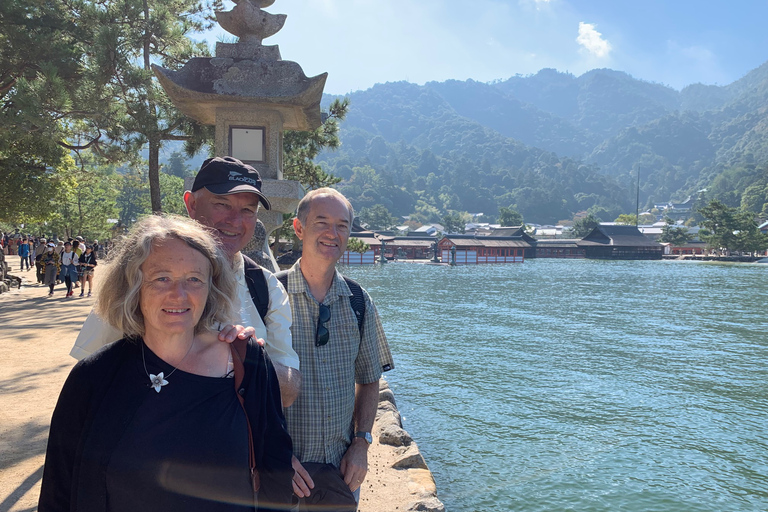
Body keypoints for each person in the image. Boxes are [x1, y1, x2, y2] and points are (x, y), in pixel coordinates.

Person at [38, 215, 294, 512]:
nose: (179, 294)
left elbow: (276, 472)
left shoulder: (245, 364)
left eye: (194, 279)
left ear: (212, 287)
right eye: (162, 278)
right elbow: (59, 489)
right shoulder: (92, 378)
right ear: (132, 286)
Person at [69, 156, 301, 406]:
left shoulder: (266, 287)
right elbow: (88, 379)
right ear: (191, 204)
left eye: (247, 210)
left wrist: (248, 358)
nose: (235, 220)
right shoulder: (137, 273)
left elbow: (288, 394)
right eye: (222, 204)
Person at [282, 188, 394, 511]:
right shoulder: (271, 297)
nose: (333, 234)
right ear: (299, 228)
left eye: (342, 225)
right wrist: (274, 452)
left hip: (341, 471)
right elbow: (248, 389)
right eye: (322, 223)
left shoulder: (358, 302)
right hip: (283, 471)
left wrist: (362, 442)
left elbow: (370, 379)